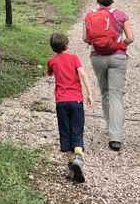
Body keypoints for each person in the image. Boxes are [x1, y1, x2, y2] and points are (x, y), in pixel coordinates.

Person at [84, 0, 134, 151]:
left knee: (105, 93)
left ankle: (108, 125)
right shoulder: (120, 14)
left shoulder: (90, 15)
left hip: (97, 57)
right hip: (118, 57)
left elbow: (85, 38)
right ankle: (116, 136)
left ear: (98, 1)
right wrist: (121, 45)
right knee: (116, 95)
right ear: (112, 1)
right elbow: (131, 37)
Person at [47, 32, 94, 183]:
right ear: (67, 45)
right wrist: (89, 93)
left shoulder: (52, 61)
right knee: (77, 130)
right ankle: (79, 159)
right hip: (76, 101)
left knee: (65, 132)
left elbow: (48, 74)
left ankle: (71, 166)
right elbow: (83, 75)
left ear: (53, 48)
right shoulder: (74, 58)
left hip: (61, 102)